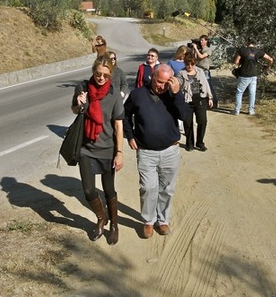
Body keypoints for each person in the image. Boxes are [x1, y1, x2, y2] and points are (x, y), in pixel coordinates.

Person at [123, 64, 190, 239]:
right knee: (148, 188)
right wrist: (129, 135)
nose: (162, 86)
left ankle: (163, 220)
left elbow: (186, 116)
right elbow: (125, 115)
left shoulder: (172, 94)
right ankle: (148, 221)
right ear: (152, 77)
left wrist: (176, 94)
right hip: (146, 152)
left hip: (170, 150)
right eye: (159, 82)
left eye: (166, 82)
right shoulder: (138, 94)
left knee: (167, 189)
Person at [71, 55, 125, 245]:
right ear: (93, 71)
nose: (100, 78)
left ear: (110, 74)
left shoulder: (114, 94)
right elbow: (75, 111)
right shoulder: (82, 87)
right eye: (97, 73)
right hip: (86, 148)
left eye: (104, 75)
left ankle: (115, 225)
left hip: (107, 149)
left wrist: (119, 153)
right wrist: (79, 104)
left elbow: (118, 126)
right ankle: (101, 217)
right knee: (88, 190)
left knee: (109, 189)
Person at [176, 53, 213, 151]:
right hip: (187, 100)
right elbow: (178, 84)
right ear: (185, 63)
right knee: (188, 123)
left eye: (192, 64)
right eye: (188, 64)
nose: (190, 66)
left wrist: (210, 97)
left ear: (194, 63)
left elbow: (205, 84)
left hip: (200, 99)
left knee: (202, 121)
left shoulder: (200, 71)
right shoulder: (181, 73)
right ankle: (189, 143)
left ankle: (200, 142)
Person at [232, 38, 273, 116]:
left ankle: (237, 110)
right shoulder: (258, 52)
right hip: (253, 75)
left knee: (239, 92)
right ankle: (251, 110)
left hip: (244, 74)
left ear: (248, 42)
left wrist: (235, 68)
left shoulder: (242, 50)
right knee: (252, 93)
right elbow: (270, 59)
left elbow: (236, 62)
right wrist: (268, 67)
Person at [191, 35, 218, 108]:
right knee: (197, 86)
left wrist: (196, 49)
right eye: (200, 40)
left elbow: (201, 56)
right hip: (198, 70)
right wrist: (194, 49)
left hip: (205, 71)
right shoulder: (199, 50)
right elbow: (195, 58)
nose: (201, 42)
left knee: (208, 87)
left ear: (206, 41)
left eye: (202, 40)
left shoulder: (208, 50)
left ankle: (213, 103)